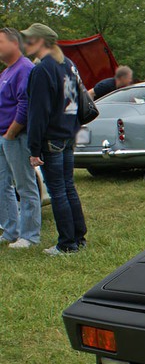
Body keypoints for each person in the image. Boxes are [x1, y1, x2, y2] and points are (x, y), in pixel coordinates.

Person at [22, 23, 86, 255]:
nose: (26, 44)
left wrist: (34, 148)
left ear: (42, 42)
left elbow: (38, 112)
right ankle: (78, 237)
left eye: (30, 39)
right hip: (68, 134)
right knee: (68, 188)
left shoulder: (42, 70)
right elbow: (77, 101)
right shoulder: (68, 64)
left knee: (58, 190)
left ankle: (67, 244)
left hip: (52, 138)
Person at [0, 27, 39, 249]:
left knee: (24, 185)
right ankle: (9, 230)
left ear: (14, 44)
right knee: (2, 185)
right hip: (3, 136)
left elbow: (24, 104)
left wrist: (11, 132)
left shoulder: (24, 69)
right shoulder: (6, 72)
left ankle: (30, 236)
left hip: (16, 137)